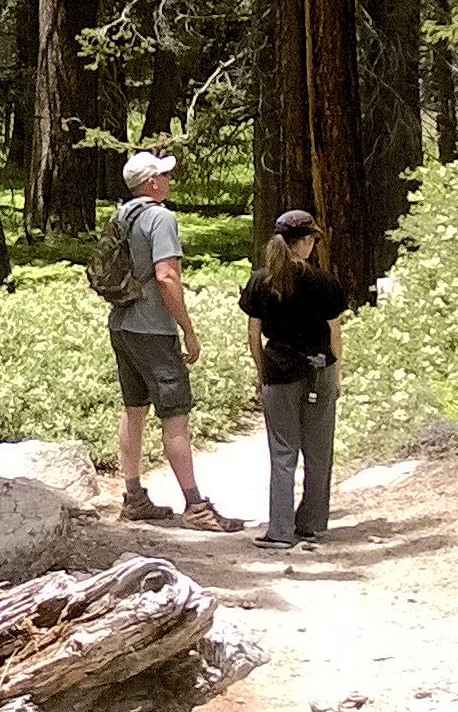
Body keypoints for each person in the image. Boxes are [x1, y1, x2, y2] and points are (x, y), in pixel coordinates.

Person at [106, 149, 237, 530]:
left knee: (133, 410)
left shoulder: (122, 215)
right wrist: (188, 330)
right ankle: (195, 506)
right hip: (153, 329)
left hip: (122, 323)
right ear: (152, 183)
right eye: (163, 175)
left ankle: (133, 497)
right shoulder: (160, 218)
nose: (168, 180)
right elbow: (166, 277)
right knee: (175, 416)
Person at [240, 209, 346, 549]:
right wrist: (337, 373)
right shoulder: (324, 281)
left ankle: (280, 530)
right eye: (312, 238)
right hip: (319, 372)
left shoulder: (261, 281)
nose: (314, 244)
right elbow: (334, 332)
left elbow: (253, 333)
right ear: (301, 242)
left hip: (279, 371)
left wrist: (262, 371)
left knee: (282, 452)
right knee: (318, 450)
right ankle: (312, 523)